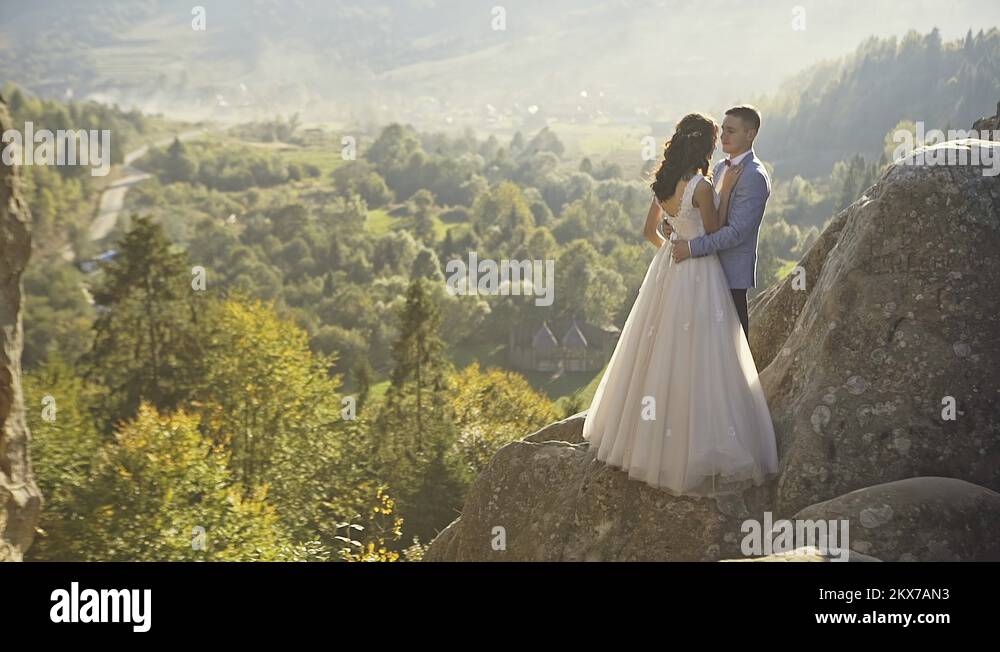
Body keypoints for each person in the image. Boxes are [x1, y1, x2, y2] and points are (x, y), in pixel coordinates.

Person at [581, 110, 778, 498]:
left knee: (660, 352)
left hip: (669, 272)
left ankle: (649, 436)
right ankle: (705, 441)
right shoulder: (704, 184)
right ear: (703, 145)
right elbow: (719, 229)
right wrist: (688, 242)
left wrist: (672, 245)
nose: (723, 138)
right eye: (719, 133)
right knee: (710, 359)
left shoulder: (667, 181)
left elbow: (651, 231)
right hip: (698, 273)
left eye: (731, 131)